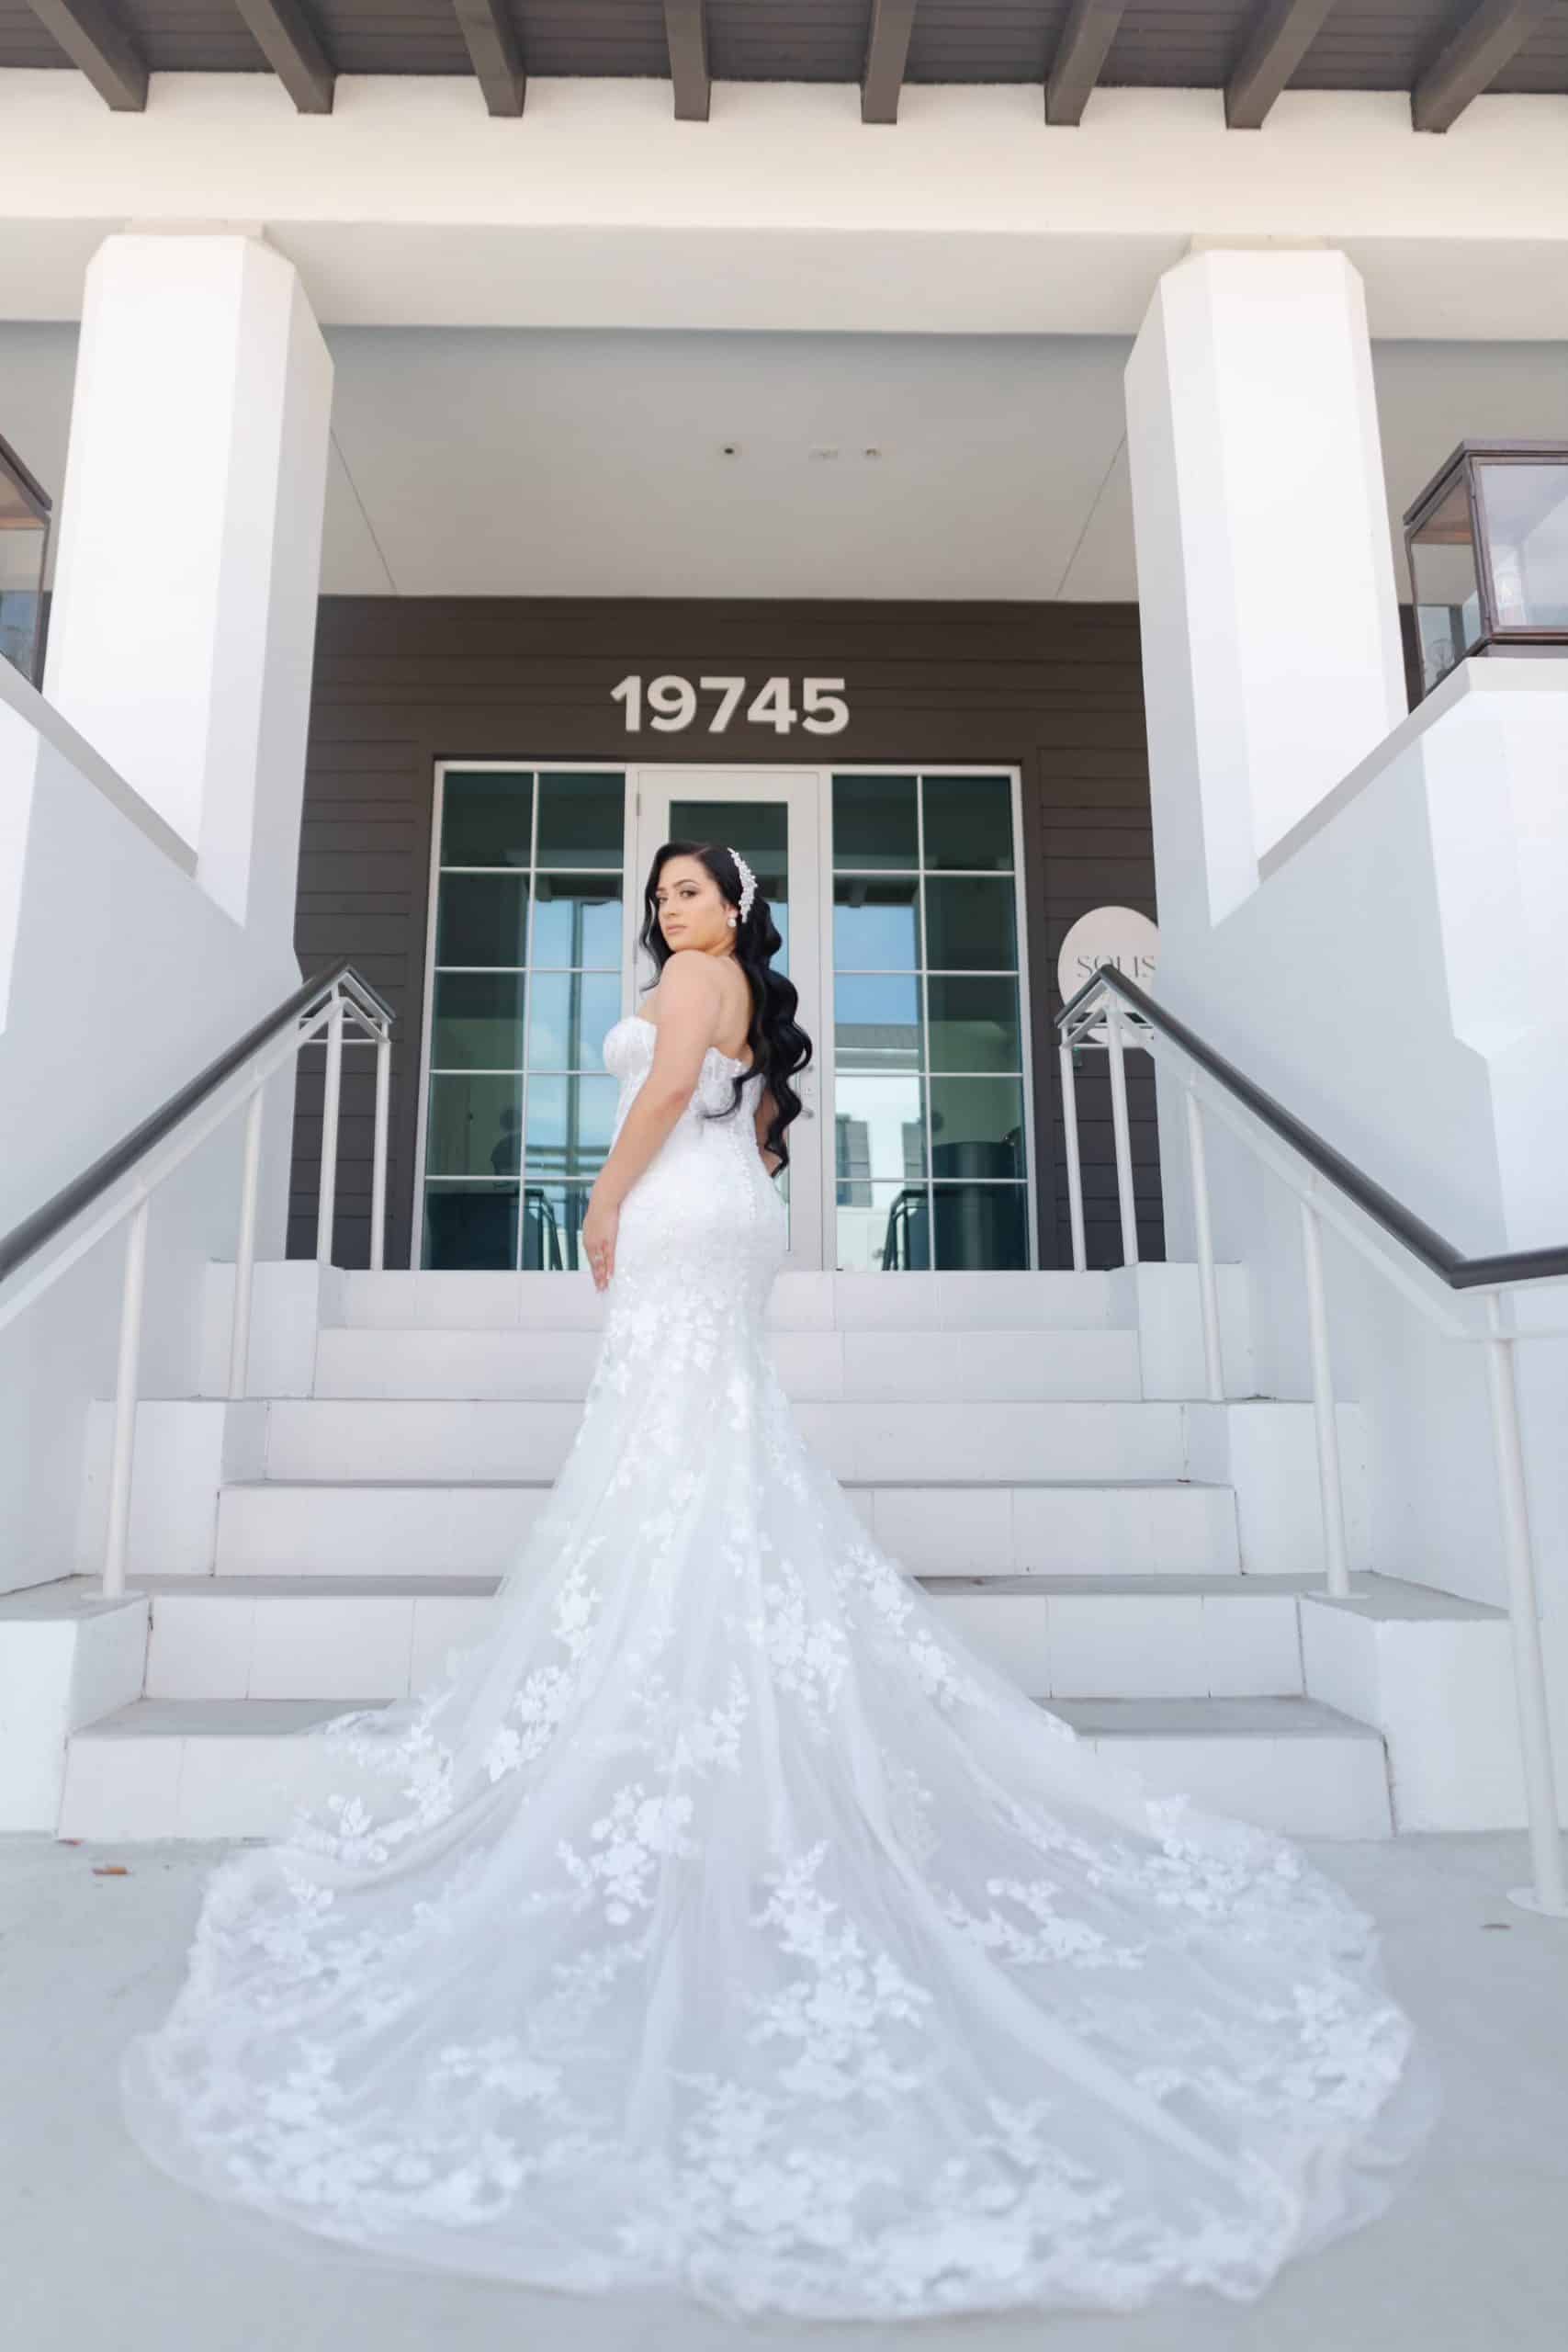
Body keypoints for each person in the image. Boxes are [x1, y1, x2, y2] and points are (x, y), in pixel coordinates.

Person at [119, 842, 1438, 2322]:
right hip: (728, 1212)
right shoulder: (743, 987)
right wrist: (693, 1191)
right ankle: (697, 1692)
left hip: (679, 1212)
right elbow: (742, 1120)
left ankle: (685, 1701)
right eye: (659, 896)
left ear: (736, 906)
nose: (669, 911)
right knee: (702, 1442)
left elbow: (660, 1099)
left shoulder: (696, 984)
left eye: (690, 892)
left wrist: (603, 1204)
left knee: (676, 1442)